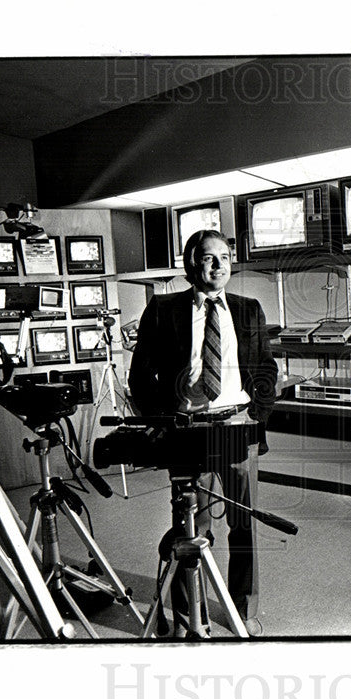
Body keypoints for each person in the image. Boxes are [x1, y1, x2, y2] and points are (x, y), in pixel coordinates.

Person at [128, 229, 277, 636]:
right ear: (191, 263)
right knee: (191, 527)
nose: (219, 265)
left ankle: (240, 610)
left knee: (243, 525)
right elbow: (141, 377)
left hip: (236, 425)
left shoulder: (249, 309)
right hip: (187, 429)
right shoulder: (162, 308)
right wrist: (162, 422)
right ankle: (186, 614)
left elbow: (265, 370)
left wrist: (257, 416)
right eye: (209, 258)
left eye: (225, 257)